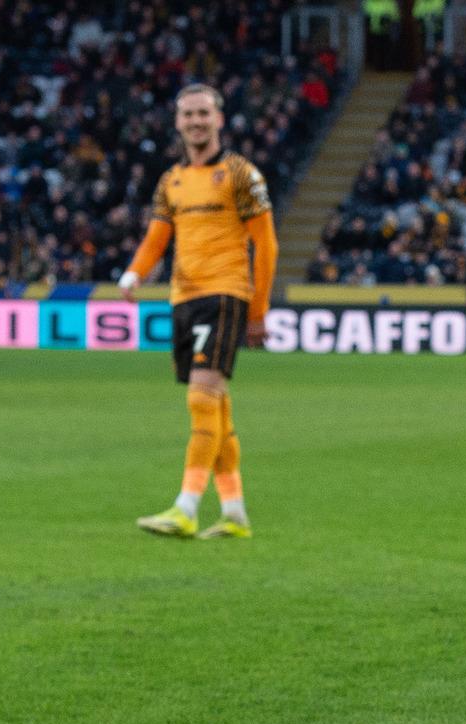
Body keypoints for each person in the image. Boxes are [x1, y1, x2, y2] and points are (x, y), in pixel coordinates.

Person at [119, 84, 277, 539]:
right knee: (216, 405)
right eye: (188, 114)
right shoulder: (171, 180)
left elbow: (266, 244)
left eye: (204, 113)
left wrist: (258, 310)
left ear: (219, 119)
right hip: (184, 298)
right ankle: (234, 513)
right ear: (177, 122)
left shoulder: (241, 174)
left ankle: (186, 506)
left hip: (224, 293)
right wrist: (134, 273)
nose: (196, 122)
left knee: (201, 397)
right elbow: (157, 237)